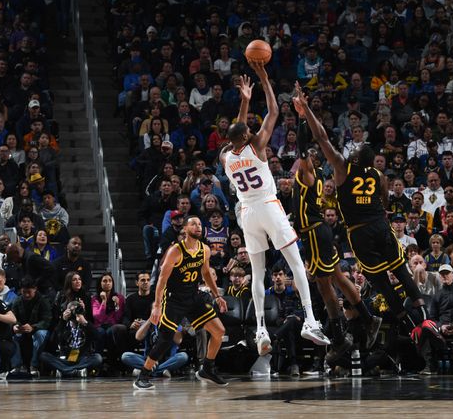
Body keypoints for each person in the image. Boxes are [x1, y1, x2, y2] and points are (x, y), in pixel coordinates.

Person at [294, 83, 428, 336]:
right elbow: (385, 202)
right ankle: (424, 318)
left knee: (379, 281)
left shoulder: (343, 168)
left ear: (355, 158)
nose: (353, 148)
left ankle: (410, 327)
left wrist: (307, 111)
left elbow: (321, 137)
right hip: (380, 224)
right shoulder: (379, 174)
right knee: (400, 270)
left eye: (355, 149)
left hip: (360, 231)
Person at [219, 65, 329, 357]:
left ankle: (260, 330)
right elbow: (273, 112)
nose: (255, 131)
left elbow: (238, 131)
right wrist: (266, 80)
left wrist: (243, 101)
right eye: (250, 131)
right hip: (268, 205)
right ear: (248, 137)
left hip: (246, 212)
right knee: (296, 263)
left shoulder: (225, 156)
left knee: (257, 273)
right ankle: (310, 320)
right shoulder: (256, 146)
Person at [291, 120, 381, 358]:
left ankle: (340, 338)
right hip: (318, 231)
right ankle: (369, 319)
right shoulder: (316, 175)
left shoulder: (307, 174)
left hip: (314, 232)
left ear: (312, 162)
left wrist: (301, 122)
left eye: (307, 159)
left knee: (324, 285)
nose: (301, 161)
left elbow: (301, 150)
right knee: (338, 278)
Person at [134, 216, 228, 389]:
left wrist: (217, 296)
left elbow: (206, 273)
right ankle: (143, 376)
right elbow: (161, 280)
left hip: (193, 296)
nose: (198, 226)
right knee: (165, 339)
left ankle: (207, 368)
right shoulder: (176, 251)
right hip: (173, 299)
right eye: (193, 224)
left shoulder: (204, 249)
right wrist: (156, 306)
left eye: (200, 224)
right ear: (185, 229)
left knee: (219, 331)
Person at [10, 277, 52, 376]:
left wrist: (33, 327)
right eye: (24, 292)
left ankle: (34, 364)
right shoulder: (17, 301)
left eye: (29, 292)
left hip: (38, 330)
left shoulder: (43, 301)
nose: (26, 295)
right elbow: (12, 317)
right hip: (22, 330)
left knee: (40, 334)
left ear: (35, 289)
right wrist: (15, 326)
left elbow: (47, 320)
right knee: (12, 336)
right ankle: (17, 366)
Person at [121, 319, 189, 378]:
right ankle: (159, 371)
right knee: (125, 356)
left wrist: (170, 324)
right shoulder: (149, 324)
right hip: (148, 359)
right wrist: (149, 320)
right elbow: (138, 337)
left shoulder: (173, 323)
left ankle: (148, 371)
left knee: (183, 356)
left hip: (167, 360)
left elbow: (178, 340)